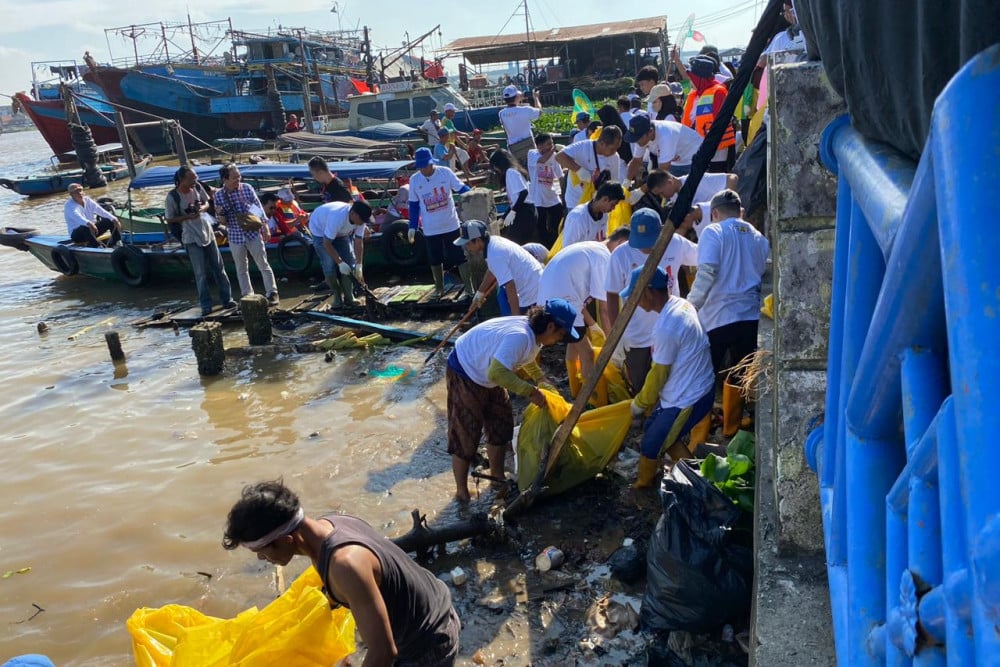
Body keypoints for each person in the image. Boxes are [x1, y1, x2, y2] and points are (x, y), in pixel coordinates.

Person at [222, 480, 460, 665]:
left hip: (429, 641)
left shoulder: (345, 565)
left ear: (286, 540)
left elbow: (384, 653)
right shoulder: (331, 524)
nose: (260, 558)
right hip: (433, 605)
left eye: (260, 551)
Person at [446, 300, 578, 501]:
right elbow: (497, 372)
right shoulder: (521, 335)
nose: (560, 340)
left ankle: (497, 478)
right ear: (551, 326)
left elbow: (523, 358)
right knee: (466, 434)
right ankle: (462, 493)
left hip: (490, 373)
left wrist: (540, 378)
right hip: (466, 370)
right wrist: (531, 392)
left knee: (501, 426)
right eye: (561, 335)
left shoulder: (535, 336)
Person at [623, 265, 716, 487]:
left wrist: (640, 402)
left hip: (689, 396)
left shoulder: (668, 327)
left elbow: (658, 374)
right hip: (689, 388)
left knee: (651, 444)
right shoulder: (679, 304)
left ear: (647, 292)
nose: (633, 301)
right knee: (658, 430)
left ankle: (644, 485)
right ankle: (696, 478)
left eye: (635, 295)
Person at [687, 190, 770, 437]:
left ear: (714, 213)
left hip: (718, 317)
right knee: (740, 375)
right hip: (749, 317)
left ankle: (699, 433)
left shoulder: (714, 231)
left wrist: (690, 307)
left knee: (704, 375)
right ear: (740, 212)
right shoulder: (758, 237)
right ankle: (730, 431)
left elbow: (707, 273)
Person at [606, 208, 698, 393]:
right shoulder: (621, 255)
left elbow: (704, 258)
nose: (645, 248)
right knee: (641, 386)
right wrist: (617, 333)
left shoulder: (675, 244)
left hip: (672, 329)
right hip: (636, 335)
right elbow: (612, 294)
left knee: (673, 384)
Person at [537, 233, 629, 385]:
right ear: (621, 242)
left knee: (574, 341)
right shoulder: (604, 258)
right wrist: (613, 345)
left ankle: (575, 388)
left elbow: (580, 299)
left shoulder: (591, 248)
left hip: (550, 299)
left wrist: (592, 325)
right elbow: (604, 310)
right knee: (588, 354)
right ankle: (592, 397)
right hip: (563, 302)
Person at [165, 166, 236, 316]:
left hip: (207, 233)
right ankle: (206, 305)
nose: (194, 181)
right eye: (191, 179)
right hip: (190, 236)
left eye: (195, 178)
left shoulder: (197, 187)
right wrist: (187, 216)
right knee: (200, 273)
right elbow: (170, 218)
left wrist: (201, 209)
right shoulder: (173, 197)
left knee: (219, 268)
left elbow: (207, 202)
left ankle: (227, 299)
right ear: (182, 180)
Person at [407, 147, 474, 300]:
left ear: (432, 163)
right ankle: (439, 288)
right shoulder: (415, 180)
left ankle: (469, 289)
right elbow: (414, 205)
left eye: (426, 165)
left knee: (459, 256)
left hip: (451, 224)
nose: (423, 169)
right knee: (435, 258)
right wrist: (412, 226)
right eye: (421, 166)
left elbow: (461, 189)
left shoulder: (445, 172)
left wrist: (473, 193)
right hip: (430, 228)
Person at [213, 163, 279, 304]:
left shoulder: (247, 188)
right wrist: (220, 213)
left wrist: (265, 227)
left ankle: (272, 292)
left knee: (263, 263)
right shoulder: (219, 195)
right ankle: (247, 295)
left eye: (239, 176)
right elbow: (223, 222)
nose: (238, 179)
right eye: (234, 177)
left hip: (252, 233)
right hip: (235, 235)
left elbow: (259, 208)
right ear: (225, 179)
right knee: (241, 268)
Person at [457, 220, 543, 316]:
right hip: (533, 282)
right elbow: (492, 270)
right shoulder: (493, 242)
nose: (467, 248)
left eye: (468, 244)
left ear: (477, 241)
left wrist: (516, 319)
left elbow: (510, 286)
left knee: (526, 323)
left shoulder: (494, 253)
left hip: (532, 290)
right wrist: (480, 293)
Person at [674, 54, 736, 172]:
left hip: (716, 147)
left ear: (700, 78)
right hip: (697, 145)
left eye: (692, 76)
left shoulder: (718, 92)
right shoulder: (694, 94)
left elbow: (721, 121)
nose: (690, 79)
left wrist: (709, 144)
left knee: (715, 175)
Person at [308, 200, 372, 307]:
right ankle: (337, 297)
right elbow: (326, 243)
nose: (362, 223)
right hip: (320, 232)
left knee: (350, 262)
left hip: (341, 233)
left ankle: (349, 297)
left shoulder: (361, 219)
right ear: (353, 214)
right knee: (328, 264)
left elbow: (358, 241)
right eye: (361, 220)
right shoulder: (337, 217)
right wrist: (340, 263)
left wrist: (359, 264)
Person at [555, 125, 624, 209]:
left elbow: (613, 182)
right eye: (612, 149)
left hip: (597, 204)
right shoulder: (583, 146)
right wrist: (579, 170)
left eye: (617, 148)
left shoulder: (614, 157)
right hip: (575, 201)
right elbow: (559, 156)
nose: (615, 152)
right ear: (602, 143)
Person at [490, 149, 536, 245]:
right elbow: (514, 201)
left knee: (515, 243)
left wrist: (513, 212)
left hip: (524, 212)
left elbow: (523, 193)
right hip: (524, 210)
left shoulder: (511, 172)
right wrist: (503, 217)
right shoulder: (513, 171)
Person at [525, 133, 564, 247]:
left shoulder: (554, 156)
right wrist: (553, 151)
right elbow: (541, 161)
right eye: (548, 144)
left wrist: (563, 192)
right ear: (540, 146)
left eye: (551, 144)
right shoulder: (532, 153)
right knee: (541, 226)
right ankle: (545, 246)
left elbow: (560, 176)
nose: (551, 146)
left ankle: (556, 244)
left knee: (558, 222)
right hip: (538, 197)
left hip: (552, 196)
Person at [561, 181, 626, 247]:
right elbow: (567, 248)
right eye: (613, 205)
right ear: (605, 199)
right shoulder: (577, 217)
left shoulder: (604, 215)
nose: (613, 208)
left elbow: (602, 239)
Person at [498, 85, 541, 164]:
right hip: (528, 144)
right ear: (517, 96)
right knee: (532, 166)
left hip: (513, 147)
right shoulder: (526, 110)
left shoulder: (501, 113)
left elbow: (513, 110)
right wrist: (536, 98)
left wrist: (518, 97)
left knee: (520, 170)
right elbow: (539, 112)